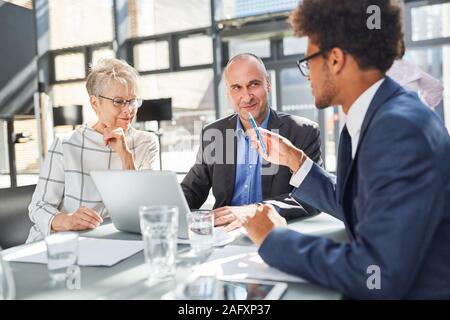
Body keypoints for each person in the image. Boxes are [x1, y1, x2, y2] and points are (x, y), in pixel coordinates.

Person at [244, 0, 450, 299]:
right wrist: (295, 160)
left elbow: (377, 271)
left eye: (308, 62)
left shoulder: (396, 129)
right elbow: (363, 205)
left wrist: (274, 240)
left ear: (336, 59)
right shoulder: (381, 116)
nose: (308, 75)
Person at [181, 53, 322, 231]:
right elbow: (193, 189)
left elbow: (312, 198)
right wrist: (167, 208)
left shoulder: (303, 132)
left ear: (268, 85)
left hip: (276, 233)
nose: (246, 97)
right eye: (236, 88)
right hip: (224, 234)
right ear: (228, 93)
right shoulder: (214, 133)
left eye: (254, 84)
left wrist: (253, 212)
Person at [26, 58, 159, 243]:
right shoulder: (66, 145)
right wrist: (67, 220)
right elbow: (38, 207)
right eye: (119, 101)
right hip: (62, 244)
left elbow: (147, 209)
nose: (128, 110)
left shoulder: (146, 142)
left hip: (116, 242)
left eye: (132, 101)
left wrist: (125, 154)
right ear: (95, 103)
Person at [387, 38, 444, 109]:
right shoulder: (410, 67)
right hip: (412, 113)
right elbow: (436, 87)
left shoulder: (379, 70)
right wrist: (423, 107)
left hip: (389, 115)